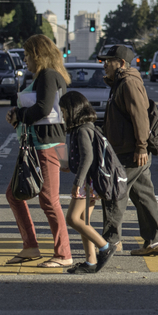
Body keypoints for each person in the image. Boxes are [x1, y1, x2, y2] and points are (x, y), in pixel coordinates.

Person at [3, 34, 72, 268]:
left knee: (49, 201)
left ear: (37, 55)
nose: (25, 60)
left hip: (46, 146)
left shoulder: (48, 76)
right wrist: (18, 113)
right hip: (38, 145)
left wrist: (19, 115)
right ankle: (30, 246)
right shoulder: (44, 76)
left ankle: (63, 254)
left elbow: (43, 108)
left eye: (26, 55)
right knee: (14, 194)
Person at [98, 44, 158, 256]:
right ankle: (154, 242)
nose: (105, 64)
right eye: (104, 61)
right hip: (128, 148)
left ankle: (112, 241)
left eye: (109, 61)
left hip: (130, 151)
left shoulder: (128, 83)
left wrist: (141, 147)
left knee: (113, 193)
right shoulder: (119, 82)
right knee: (143, 196)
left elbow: (140, 117)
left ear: (122, 63)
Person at [59, 91, 119, 274]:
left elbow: (88, 157)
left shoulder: (83, 129)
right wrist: (70, 164)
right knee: (84, 221)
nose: (62, 115)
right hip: (89, 181)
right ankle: (91, 261)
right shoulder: (85, 127)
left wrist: (78, 181)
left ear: (72, 110)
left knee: (72, 219)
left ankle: (104, 247)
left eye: (63, 111)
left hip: (87, 183)